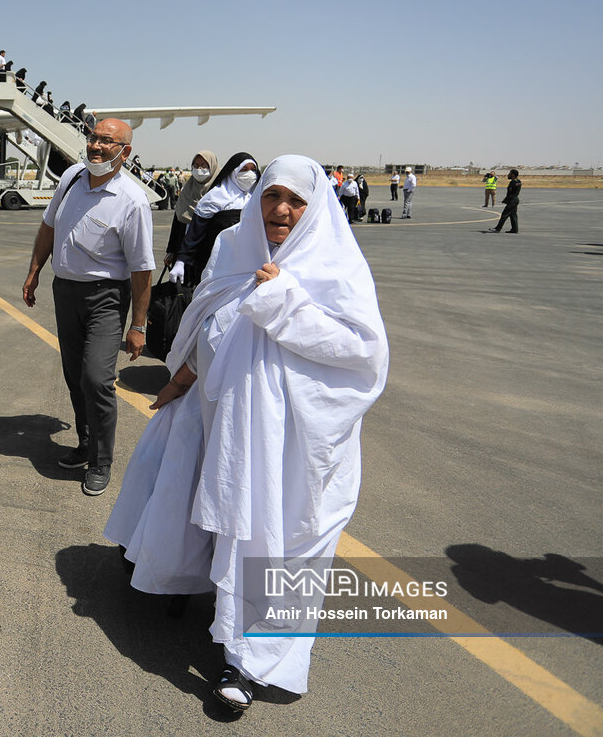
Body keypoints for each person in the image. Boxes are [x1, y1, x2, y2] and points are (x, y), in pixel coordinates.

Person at [104, 155, 389, 713]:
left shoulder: (334, 265)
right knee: (204, 502)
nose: (281, 209)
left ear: (313, 208)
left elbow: (363, 353)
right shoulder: (234, 247)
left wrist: (286, 304)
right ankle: (197, 592)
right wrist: (183, 378)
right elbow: (214, 322)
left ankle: (251, 662)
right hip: (221, 420)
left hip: (290, 446)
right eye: (271, 195)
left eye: (296, 200)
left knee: (277, 539)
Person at [22, 119, 154, 497]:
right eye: (93, 137)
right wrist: (34, 271)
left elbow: (142, 269)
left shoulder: (132, 201)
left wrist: (138, 325)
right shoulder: (71, 179)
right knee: (74, 376)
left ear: (125, 152)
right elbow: (48, 227)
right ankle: (84, 443)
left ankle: (101, 461)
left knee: (96, 378)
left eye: (107, 141)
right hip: (66, 292)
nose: (96, 146)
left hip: (105, 298)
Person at [171, 153, 259, 286]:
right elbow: (195, 233)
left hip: (249, 267)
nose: (250, 174)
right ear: (234, 172)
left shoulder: (258, 198)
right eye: (244, 169)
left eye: (253, 170)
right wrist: (181, 260)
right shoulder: (214, 198)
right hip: (218, 267)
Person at [164, 151, 219, 267]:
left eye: (204, 165)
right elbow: (178, 223)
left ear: (212, 167)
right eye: (196, 165)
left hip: (210, 255)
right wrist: (172, 250)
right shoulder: (186, 192)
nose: (199, 169)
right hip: (184, 254)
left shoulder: (219, 194)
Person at [486, 169, 521, 234]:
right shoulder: (519, 181)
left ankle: (497, 229)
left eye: (510, 173)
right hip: (515, 199)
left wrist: (506, 200)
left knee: (504, 215)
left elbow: (510, 193)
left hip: (512, 200)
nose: (508, 174)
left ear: (513, 174)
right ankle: (514, 229)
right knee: (513, 215)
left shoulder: (513, 182)